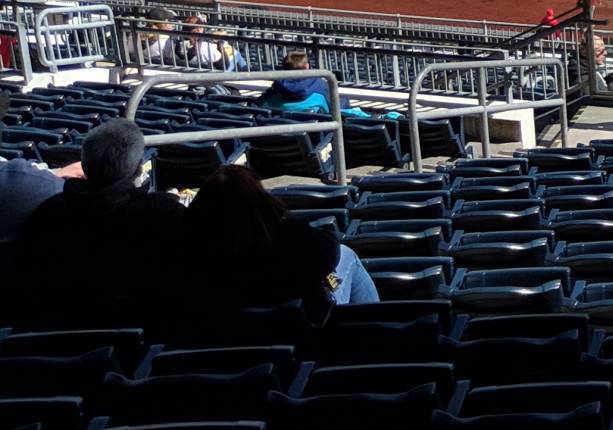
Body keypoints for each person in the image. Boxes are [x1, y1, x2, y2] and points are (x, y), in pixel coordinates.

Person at [18, 119, 192, 316]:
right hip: (142, 328)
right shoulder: (164, 214)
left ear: (83, 163)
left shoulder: (48, 213)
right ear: (138, 169)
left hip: (56, 330)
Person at [187, 163, 377, 313]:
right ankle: (374, 331)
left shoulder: (189, 249)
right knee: (347, 255)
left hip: (221, 346)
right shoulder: (288, 236)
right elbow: (330, 253)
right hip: (300, 338)